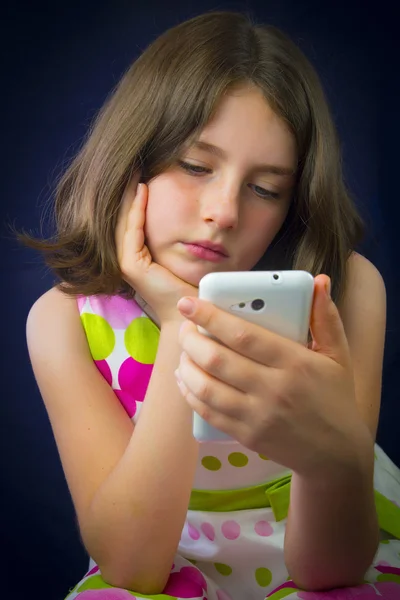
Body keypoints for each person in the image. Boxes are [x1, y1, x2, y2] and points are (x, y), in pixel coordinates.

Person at [20, 10, 400, 600]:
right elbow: (131, 567)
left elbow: (333, 571)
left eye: (265, 189)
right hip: (170, 554)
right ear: (132, 159)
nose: (224, 211)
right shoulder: (62, 321)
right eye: (196, 167)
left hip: (333, 540)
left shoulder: (344, 290)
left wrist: (333, 456)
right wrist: (178, 322)